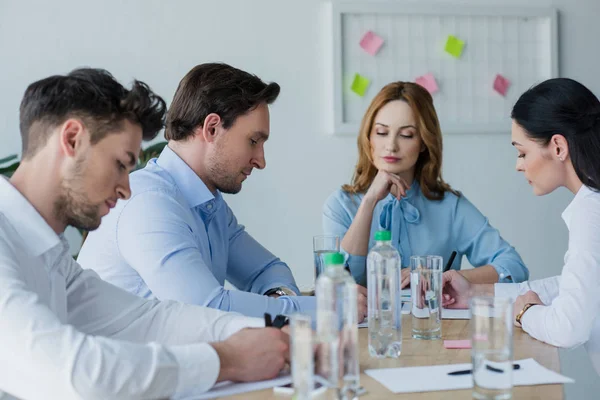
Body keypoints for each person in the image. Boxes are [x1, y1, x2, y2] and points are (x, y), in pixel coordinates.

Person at [0, 68, 291, 400]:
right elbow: (79, 372)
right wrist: (228, 359)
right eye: (122, 164)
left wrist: (275, 336)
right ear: (71, 140)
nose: (126, 189)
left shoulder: (52, 258)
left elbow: (149, 319)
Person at [77, 63, 368, 321]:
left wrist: (280, 299)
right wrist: (322, 310)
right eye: (253, 141)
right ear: (212, 128)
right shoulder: (148, 201)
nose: (261, 160)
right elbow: (206, 309)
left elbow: (267, 269)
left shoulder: (208, 202)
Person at [442, 78, 600, 375]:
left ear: (557, 146)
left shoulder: (591, 213)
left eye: (522, 152)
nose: (518, 165)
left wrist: (526, 313)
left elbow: (568, 328)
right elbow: (578, 286)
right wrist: (475, 293)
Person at [323, 81, 528, 287]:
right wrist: (368, 203)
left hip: (434, 319)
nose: (391, 145)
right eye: (382, 132)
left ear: (423, 142)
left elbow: (513, 267)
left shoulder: (451, 207)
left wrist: (438, 277)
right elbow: (339, 283)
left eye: (406, 135)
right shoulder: (340, 205)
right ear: (369, 138)